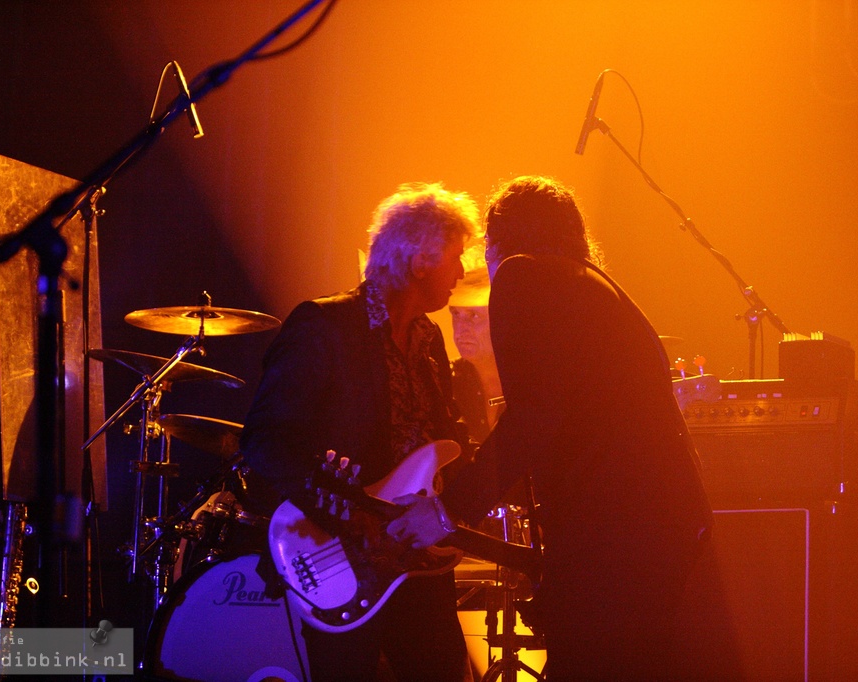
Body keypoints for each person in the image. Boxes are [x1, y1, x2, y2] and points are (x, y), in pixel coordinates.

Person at [388, 175, 713, 681]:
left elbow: (535, 417)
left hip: (615, 535)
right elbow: (569, 422)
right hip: (657, 524)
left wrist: (449, 511)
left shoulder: (523, 275)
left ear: (499, 241)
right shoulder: (592, 283)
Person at [239, 182, 479, 682]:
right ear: (420, 260)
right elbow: (264, 440)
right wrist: (350, 511)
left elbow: (441, 437)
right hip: (338, 555)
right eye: (455, 257)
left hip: (415, 559)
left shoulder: (428, 337)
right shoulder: (325, 325)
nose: (461, 272)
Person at [448, 263, 503, 445]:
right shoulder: (446, 381)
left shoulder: (530, 377)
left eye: (474, 315)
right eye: (455, 313)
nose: (461, 328)